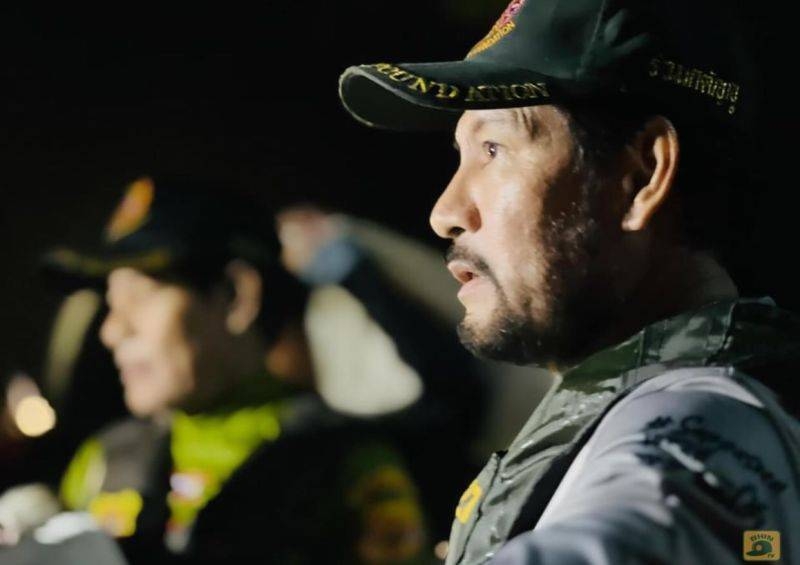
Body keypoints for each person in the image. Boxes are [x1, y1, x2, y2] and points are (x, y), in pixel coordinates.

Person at [338, 0, 800, 563]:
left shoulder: (698, 424)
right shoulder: (676, 406)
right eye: (461, 155)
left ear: (641, 176)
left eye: (493, 148)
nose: (445, 212)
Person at [30, 176, 462, 564]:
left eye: (140, 296)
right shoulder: (103, 461)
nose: (112, 331)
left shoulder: (346, 469)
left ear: (237, 295)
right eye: (110, 302)